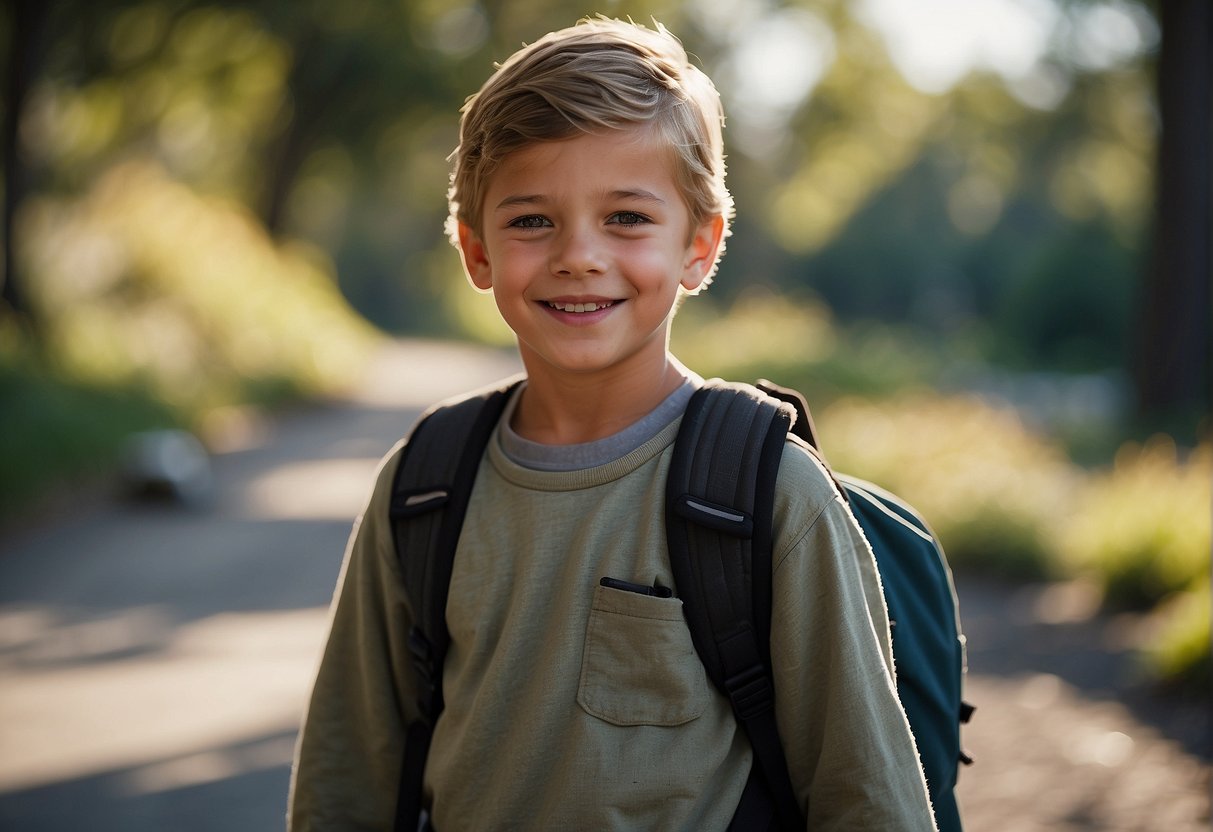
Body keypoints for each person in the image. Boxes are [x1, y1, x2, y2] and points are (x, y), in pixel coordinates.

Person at [288, 16, 937, 832]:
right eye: (531, 220)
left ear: (698, 247)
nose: (578, 255)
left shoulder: (768, 494)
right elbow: (343, 779)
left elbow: (867, 800)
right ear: (475, 249)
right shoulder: (423, 486)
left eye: (626, 218)